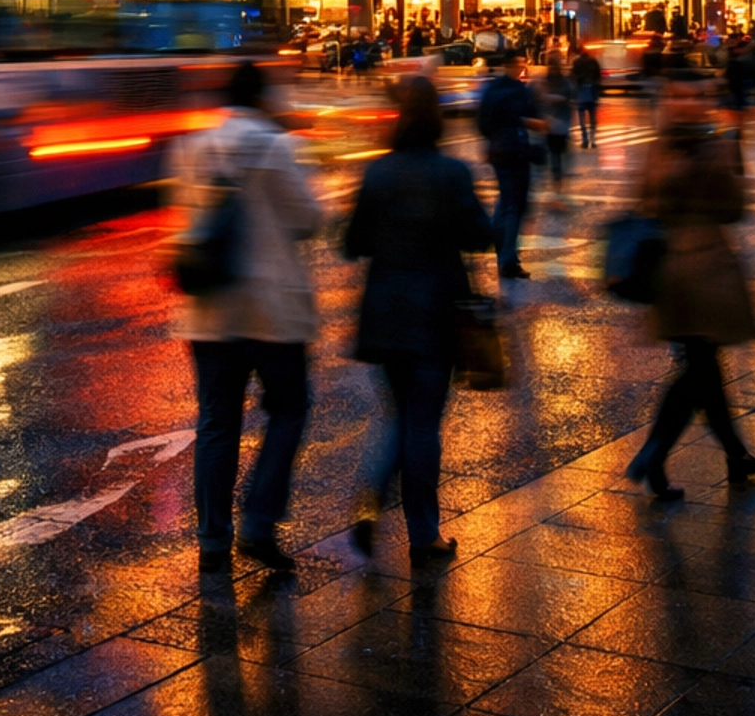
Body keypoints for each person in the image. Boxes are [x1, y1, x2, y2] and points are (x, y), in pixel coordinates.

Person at [170, 59, 323, 574]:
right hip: (271, 311)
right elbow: (308, 219)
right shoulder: (278, 146)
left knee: (216, 422)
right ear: (262, 96)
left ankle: (213, 539)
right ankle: (258, 519)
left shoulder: (193, 147)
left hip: (210, 309)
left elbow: (186, 217)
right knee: (289, 407)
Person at [343, 74, 495, 562]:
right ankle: (423, 533)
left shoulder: (377, 172)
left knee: (399, 413)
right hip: (436, 313)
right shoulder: (452, 172)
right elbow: (479, 236)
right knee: (423, 424)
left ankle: (370, 495)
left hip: (385, 311)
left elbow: (352, 243)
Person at [625, 82, 755, 500]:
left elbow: (642, 203)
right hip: (708, 270)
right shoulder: (715, 149)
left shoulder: (656, 149)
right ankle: (654, 452)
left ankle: (735, 454)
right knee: (699, 370)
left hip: (668, 271)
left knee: (704, 368)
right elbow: (735, 208)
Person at [475, 49, 541, 278]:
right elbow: (531, 117)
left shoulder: (491, 89)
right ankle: (508, 259)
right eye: (521, 63)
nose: (523, 67)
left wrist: (492, 138)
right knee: (514, 206)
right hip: (516, 152)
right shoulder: (518, 90)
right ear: (515, 65)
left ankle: (497, 244)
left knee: (505, 200)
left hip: (497, 151)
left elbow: (482, 122)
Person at [541, 51, 573, 197]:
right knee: (555, 157)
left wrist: (556, 99)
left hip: (559, 124)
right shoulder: (548, 81)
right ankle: (557, 184)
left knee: (557, 155)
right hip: (551, 125)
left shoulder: (560, 81)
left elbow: (571, 97)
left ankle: (558, 183)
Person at [572, 41, 602, 149]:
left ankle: (585, 139)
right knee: (593, 117)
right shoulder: (593, 61)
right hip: (592, 91)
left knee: (582, 117)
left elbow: (573, 76)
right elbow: (598, 75)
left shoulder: (576, 62)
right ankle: (592, 139)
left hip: (581, 91)